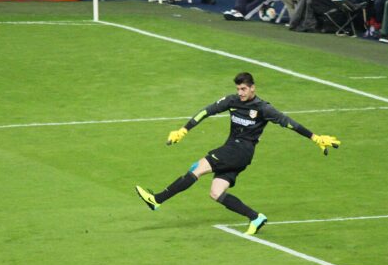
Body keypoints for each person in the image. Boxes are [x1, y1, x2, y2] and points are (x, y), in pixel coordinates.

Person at [135, 72, 341, 235]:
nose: (241, 93)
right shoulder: (232, 101)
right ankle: (255, 217)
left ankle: (157, 200)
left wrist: (315, 137)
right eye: (238, 89)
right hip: (236, 152)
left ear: (253, 88)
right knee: (215, 193)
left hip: (240, 150)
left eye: (244, 89)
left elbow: (290, 123)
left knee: (197, 168)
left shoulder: (263, 108)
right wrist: (184, 129)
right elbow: (206, 111)